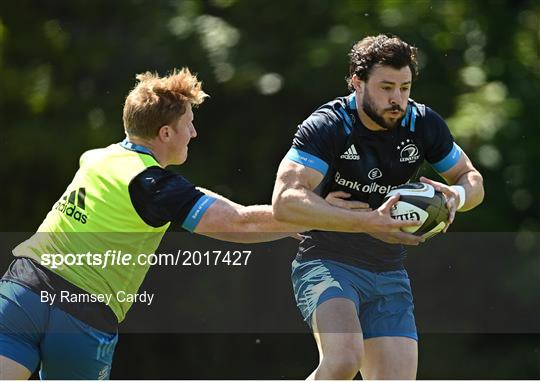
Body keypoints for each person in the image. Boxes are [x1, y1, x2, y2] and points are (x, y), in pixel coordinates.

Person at [0, 68, 418, 380]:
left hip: (20, 294)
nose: (194, 133)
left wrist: (308, 213)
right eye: (188, 125)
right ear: (165, 132)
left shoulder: (98, 158)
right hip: (81, 315)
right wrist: (330, 216)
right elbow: (235, 223)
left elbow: (216, 205)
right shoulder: (154, 184)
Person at [272, 34, 484, 380]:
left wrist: (455, 197)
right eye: (386, 87)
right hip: (328, 262)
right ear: (357, 82)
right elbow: (284, 202)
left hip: (388, 270)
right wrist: (367, 221)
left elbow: (471, 178)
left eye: (405, 87)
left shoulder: (422, 123)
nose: (397, 99)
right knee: (343, 360)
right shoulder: (330, 125)